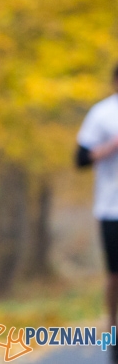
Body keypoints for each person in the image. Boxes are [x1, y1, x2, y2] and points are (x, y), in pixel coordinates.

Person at [77, 62, 118, 348]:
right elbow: (79, 159)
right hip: (112, 208)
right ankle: (113, 328)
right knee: (115, 275)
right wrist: (110, 147)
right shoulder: (102, 114)